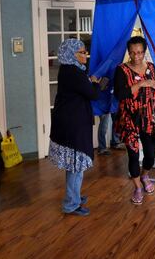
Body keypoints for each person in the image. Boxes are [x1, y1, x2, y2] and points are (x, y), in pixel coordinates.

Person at [48, 38, 100, 216]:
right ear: (71, 54)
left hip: (70, 122)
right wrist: (94, 81)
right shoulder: (73, 73)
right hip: (72, 124)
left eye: (85, 52)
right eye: (82, 53)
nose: (85, 55)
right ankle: (71, 204)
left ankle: (74, 195)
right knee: (76, 165)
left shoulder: (70, 69)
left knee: (74, 165)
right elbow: (92, 94)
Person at [114, 36, 155, 205]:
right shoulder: (121, 70)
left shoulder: (151, 68)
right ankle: (137, 188)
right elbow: (120, 94)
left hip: (149, 118)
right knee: (133, 156)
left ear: (144, 52)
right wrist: (142, 84)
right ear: (128, 52)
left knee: (150, 155)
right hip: (129, 119)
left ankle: (145, 175)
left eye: (140, 52)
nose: (137, 57)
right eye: (133, 53)